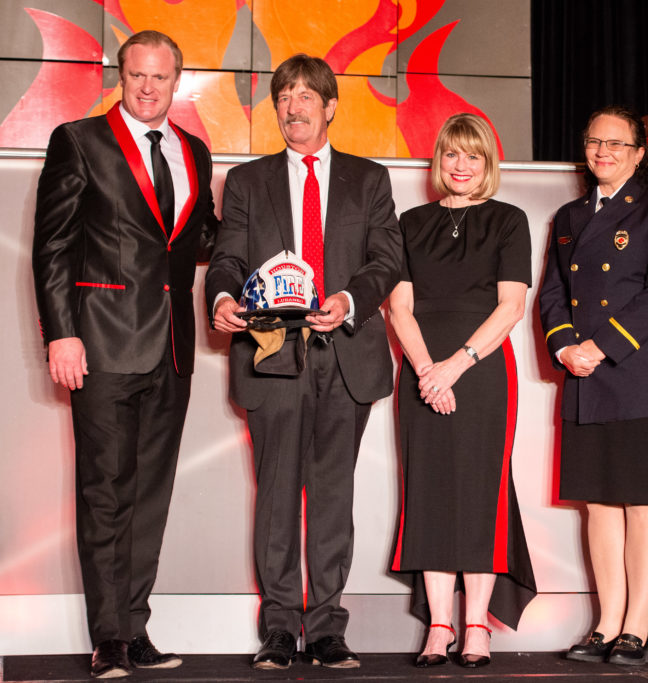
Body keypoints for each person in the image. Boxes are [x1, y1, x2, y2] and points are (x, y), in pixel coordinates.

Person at [205, 54, 402, 670]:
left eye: (305, 97)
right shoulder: (246, 182)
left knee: (333, 496)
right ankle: (278, 629)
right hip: (271, 355)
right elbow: (228, 258)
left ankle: (326, 629)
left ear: (330, 106)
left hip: (346, 356)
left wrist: (348, 300)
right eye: (284, 97)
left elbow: (385, 260)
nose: (293, 107)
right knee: (276, 498)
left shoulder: (369, 180)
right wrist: (220, 296)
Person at [31, 30, 216, 679]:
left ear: (176, 82)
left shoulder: (194, 150)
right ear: (121, 73)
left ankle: (135, 627)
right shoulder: (79, 142)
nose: (147, 87)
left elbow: (201, 237)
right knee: (104, 491)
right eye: (137, 75)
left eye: (160, 78)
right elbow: (51, 246)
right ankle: (107, 635)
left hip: (171, 347)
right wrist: (60, 332)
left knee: (150, 496)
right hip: (101, 343)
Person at [539, 105, 648, 666]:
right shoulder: (570, 215)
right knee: (599, 506)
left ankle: (639, 625)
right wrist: (563, 347)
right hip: (585, 376)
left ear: (638, 152)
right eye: (593, 142)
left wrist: (599, 346)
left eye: (615, 143)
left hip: (645, 375)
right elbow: (552, 294)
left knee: (644, 503)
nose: (601, 152)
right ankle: (606, 622)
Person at [387, 113, 537, 668]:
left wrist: (455, 366)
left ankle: (477, 625)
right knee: (427, 491)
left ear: (488, 163)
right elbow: (398, 306)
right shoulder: (410, 221)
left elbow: (512, 306)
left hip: (483, 370)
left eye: (473, 156)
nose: (462, 166)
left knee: (480, 493)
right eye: (452, 154)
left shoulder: (508, 220)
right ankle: (438, 625)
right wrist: (427, 370)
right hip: (421, 369)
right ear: (439, 160)